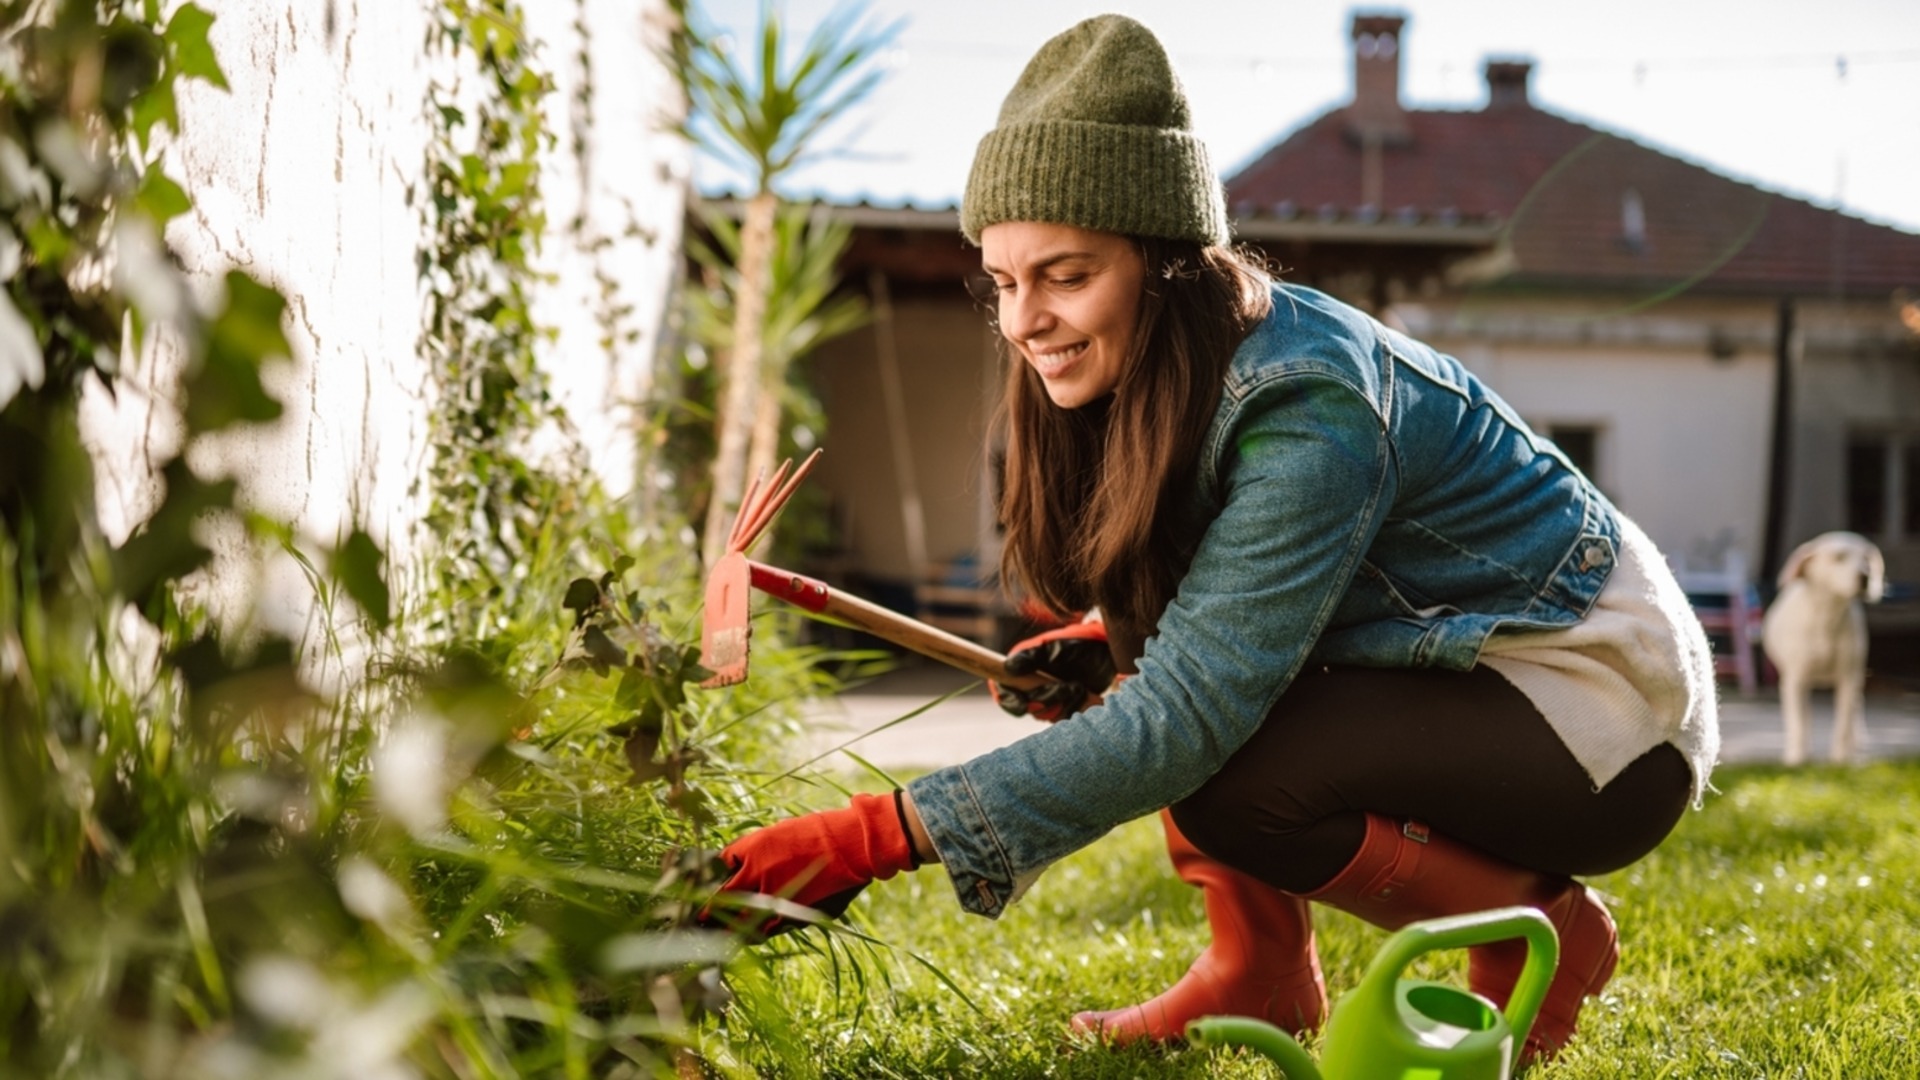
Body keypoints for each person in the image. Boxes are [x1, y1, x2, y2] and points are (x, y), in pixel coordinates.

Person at [711, 13, 1720, 1066]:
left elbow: (1186, 716)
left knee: (1226, 776)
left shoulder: (1310, 405)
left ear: (1165, 261)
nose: (1022, 321)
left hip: (1599, 709)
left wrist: (862, 841)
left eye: (1065, 276)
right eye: (1003, 283)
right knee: (1152, 641)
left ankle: (1532, 929)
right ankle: (1260, 973)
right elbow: (1215, 622)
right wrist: (1105, 643)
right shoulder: (1161, 374)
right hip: (1468, 667)